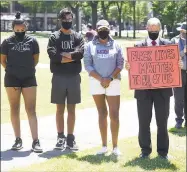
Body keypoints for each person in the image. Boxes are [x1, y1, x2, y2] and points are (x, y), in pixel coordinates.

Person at [125, 17, 183, 159]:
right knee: (144, 122)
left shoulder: (168, 45)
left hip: (162, 92)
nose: (154, 33)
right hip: (143, 92)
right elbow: (133, 67)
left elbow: (173, 65)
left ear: (160, 30)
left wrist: (178, 65)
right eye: (151, 30)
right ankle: (145, 150)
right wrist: (129, 67)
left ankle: (163, 152)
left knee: (162, 122)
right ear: (147, 29)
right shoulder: (138, 46)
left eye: (156, 31)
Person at [0, 12, 42, 153]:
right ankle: (18, 139)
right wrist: (12, 71)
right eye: (17, 30)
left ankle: (35, 141)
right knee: (14, 108)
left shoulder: (33, 42)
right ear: (13, 29)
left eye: (22, 30)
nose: (19, 32)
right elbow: (3, 61)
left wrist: (26, 69)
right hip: (12, 79)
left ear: (26, 28)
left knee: (31, 109)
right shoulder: (6, 42)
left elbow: (35, 60)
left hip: (29, 78)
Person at [84, 19, 124, 156]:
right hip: (96, 81)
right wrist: (101, 78)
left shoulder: (116, 45)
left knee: (114, 114)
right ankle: (104, 146)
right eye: (100, 29)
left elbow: (120, 64)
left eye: (105, 29)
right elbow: (88, 65)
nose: (103, 31)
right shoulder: (89, 46)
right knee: (102, 113)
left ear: (109, 29)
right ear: (96, 30)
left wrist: (110, 78)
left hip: (113, 81)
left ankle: (115, 146)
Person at [47, 8, 84, 151]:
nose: (67, 22)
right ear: (60, 20)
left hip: (74, 77)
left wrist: (64, 56)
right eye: (65, 19)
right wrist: (71, 57)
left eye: (70, 19)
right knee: (59, 109)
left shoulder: (78, 36)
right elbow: (53, 55)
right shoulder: (54, 37)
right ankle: (60, 137)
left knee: (72, 109)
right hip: (59, 77)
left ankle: (70, 138)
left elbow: (80, 53)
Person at [171, 22, 187, 128]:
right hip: (178, 73)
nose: (184, 34)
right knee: (178, 99)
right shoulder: (174, 41)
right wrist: (183, 51)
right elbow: (172, 57)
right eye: (182, 32)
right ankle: (179, 120)